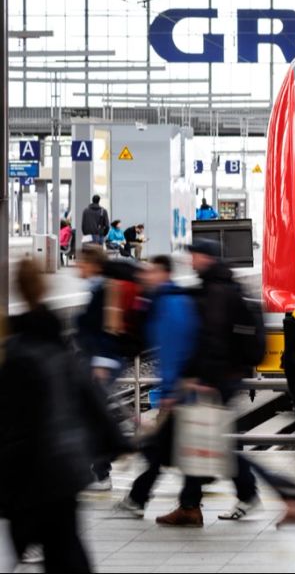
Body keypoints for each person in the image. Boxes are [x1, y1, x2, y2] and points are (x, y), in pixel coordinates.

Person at [0, 259, 128, 573]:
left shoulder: (16, 353)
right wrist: (117, 442)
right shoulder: (61, 343)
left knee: (30, 546)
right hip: (66, 467)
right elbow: (92, 397)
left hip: (29, 470)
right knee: (67, 549)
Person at [155, 239, 261, 527]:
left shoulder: (215, 291)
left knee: (206, 438)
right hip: (222, 376)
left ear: (206, 258)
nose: (191, 261)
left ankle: (234, 496)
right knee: (202, 437)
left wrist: (205, 380)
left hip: (217, 380)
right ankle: (192, 505)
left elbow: (212, 339)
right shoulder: (218, 285)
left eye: (195, 256)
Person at [112, 255, 199, 519]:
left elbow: (173, 351)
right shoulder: (166, 300)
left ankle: (140, 498)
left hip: (179, 392)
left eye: (152, 271)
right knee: (173, 449)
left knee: (162, 448)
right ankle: (188, 504)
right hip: (182, 389)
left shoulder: (170, 304)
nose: (146, 276)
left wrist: (170, 392)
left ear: (164, 273)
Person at [74, 245, 124, 492]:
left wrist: (102, 361)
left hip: (100, 363)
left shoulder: (105, 289)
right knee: (89, 415)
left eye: (81, 262)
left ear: (93, 264)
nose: (77, 266)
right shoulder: (97, 288)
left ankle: (102, 472)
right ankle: (95, 470)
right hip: (94, 362)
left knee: (91, 416)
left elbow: (109, 328)